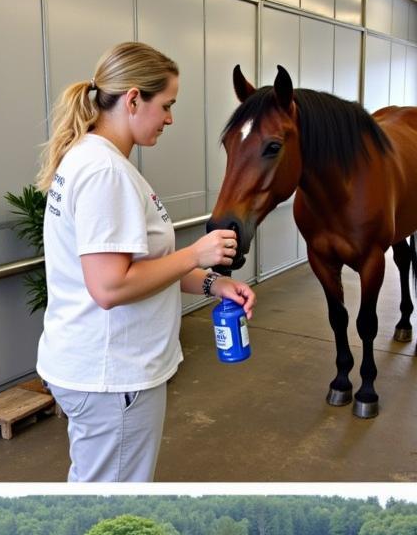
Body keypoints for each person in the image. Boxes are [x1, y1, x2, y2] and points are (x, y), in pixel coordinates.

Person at [35, 41, 256, 482]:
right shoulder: (106, 173)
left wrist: (214, 283)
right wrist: (196, 252)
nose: (170, 118)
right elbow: (110, 287)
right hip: (113, 376)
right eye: (167, 105)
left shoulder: (94, 160)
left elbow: (145, 268)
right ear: (134, 99)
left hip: (101, 370)